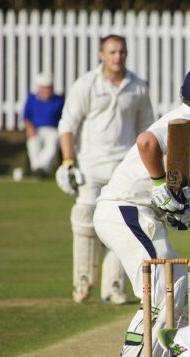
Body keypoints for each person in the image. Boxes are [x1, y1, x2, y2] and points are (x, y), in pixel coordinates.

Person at [95, 64, 190, 357]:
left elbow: (178, 175)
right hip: (125, 209)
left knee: (178, 288)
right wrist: (159, 187)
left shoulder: (189, 125)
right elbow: (147, 143)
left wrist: (182, 205)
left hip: (140, 214)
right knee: (160, 291)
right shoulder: (186, 125)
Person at [56, 34, 155, 304]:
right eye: (112, 52)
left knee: (120, 222)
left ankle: (114, 287)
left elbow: (146, 131)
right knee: (84, 221)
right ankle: (83, 283)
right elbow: (67, 126)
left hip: (123, 167)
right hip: (90, 165)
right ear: (101, 54)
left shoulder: (137, 87)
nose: (117, 56)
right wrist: (67, 162)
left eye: (121, 51)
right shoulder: (86, 84)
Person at [23, 73, 65, 178]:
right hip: (36, 130)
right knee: (33, 143)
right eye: (45, 88)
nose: (47, 91)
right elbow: (26, 116)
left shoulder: (59, 100)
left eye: (49, 88)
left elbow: (64, 117)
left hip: (53, 129)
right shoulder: (32, 98)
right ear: (40, 88)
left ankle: (39, 168)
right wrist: (29, 128)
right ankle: (40, 170)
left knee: (52, 144)